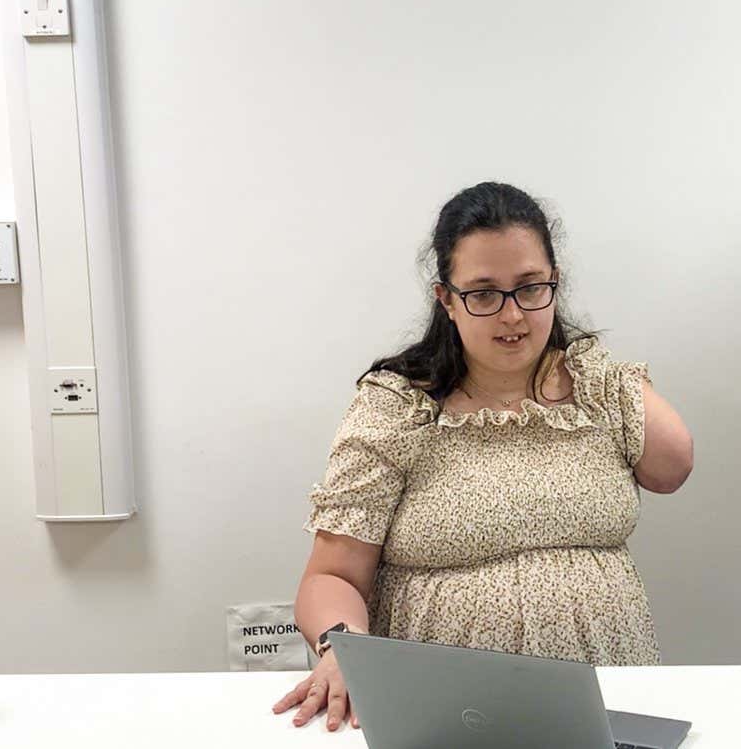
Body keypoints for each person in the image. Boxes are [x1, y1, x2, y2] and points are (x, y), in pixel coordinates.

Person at [273, 182, 694, 730]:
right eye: (484, 293)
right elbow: (331, 577)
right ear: (446, 298)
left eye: (529, 288)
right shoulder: (400, 404)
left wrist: (599, 370)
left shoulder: (596, 386)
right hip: (447, 711)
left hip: (608, 692)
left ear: (555, 283)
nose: (512, 315)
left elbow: (672, 468)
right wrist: (340, 651)